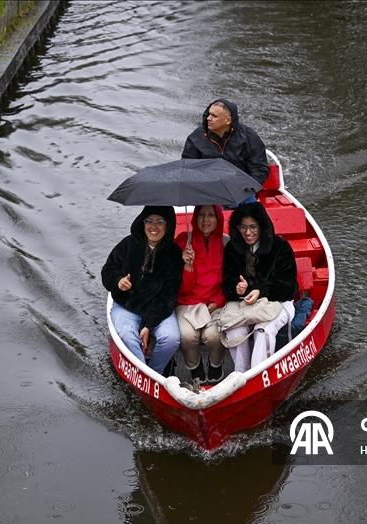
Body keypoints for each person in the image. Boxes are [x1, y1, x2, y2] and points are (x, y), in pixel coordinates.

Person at [101, 206, 183, 375]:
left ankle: (156, 372)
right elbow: (108, 270)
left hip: (157, 310)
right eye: (149, 220)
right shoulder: (128, 244)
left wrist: (148, 325)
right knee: (127, 336)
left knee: (171, 339)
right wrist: (118, 281)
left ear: (168, 226)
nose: (154, 226)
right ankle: (145, 375)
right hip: (126, 306)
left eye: (160, 222)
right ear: (142, 222)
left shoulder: (174, 255)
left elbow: (168, 297)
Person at [222, 202, 298, 373]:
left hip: (277, 301)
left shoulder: (280, 247)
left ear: (262, 226)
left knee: (263, 330)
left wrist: (260, 291)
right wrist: (237, 289)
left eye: (253, 227)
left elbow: (287, 287)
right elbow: (227, 286)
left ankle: (257, 373)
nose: (248, 233)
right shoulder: (232, 249)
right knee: (234, 330)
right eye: (243, 227)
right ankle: (240, 373)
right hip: (244, 304)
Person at [174, 204, 228, 384]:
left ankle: (215, 365)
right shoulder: (183, 241)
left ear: (218, 218)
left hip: (216, 303)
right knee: (187, 335)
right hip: (187, 301)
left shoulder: (226, 243)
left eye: (211, 215)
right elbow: (180, 289)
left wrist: (216, 301)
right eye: (201, 215)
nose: (206, 220)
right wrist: (187, 267)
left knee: (213, 336)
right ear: (195, 218)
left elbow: (230, 282)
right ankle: (194, 367)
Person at [182, 99, 270, 191]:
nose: (208, 118)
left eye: (214, 116)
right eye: (209, 114)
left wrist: (246, 187)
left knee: (252, 205)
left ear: (228, 120)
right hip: (208, 190)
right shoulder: (196, 137)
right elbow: (187, 167)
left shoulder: (248, 136)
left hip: (241, 189)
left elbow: (260, 169)